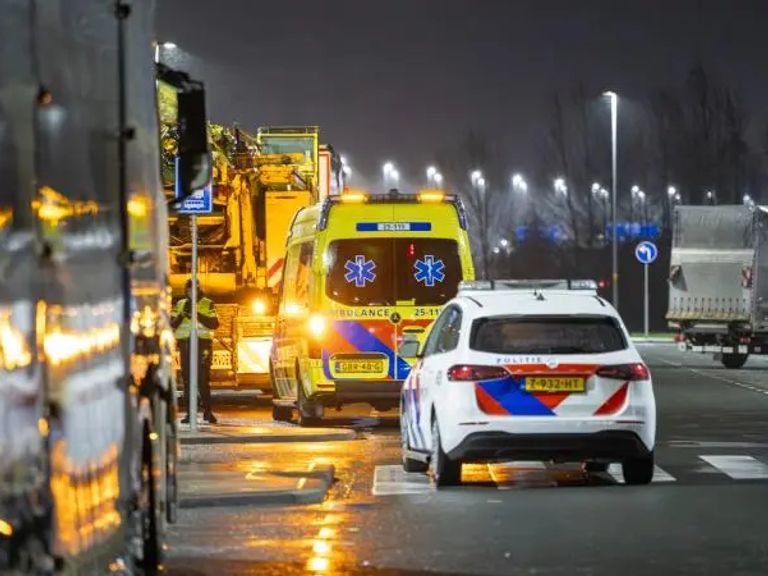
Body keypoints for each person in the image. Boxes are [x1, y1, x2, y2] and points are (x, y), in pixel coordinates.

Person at [171, 278, 219, 424]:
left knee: (203, 379)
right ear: (186, 291)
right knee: (187, 380)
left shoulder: (207, 303)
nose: (192, 292)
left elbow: (214, 323)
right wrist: (182, 314)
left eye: (195, 289)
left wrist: (197, 314)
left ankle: (207, 412)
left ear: (199, 289)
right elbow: (171, 323)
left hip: (202, 344)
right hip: (185, 345)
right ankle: (189, 414)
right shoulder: (180, 304)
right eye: (189, 290)